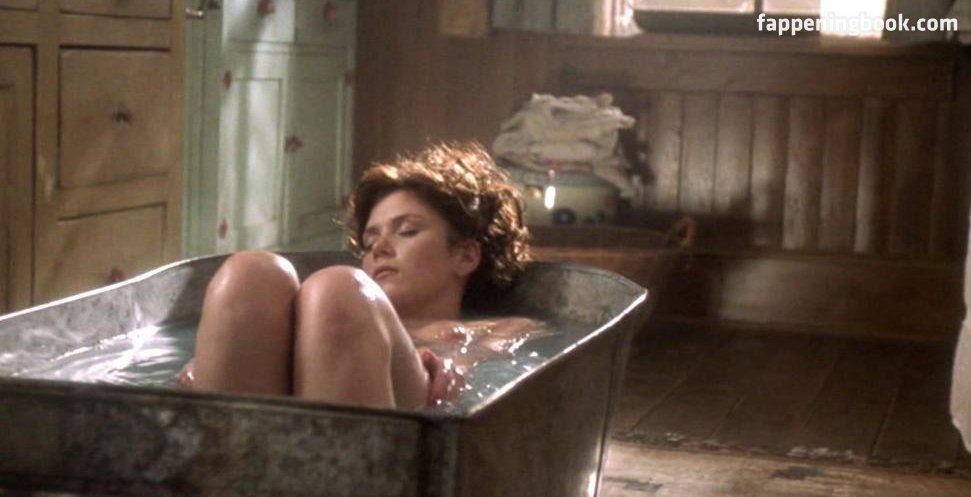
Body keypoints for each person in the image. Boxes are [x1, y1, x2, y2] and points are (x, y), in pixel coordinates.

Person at [179, 142, 541, 409]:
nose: (379, 248)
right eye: (369, 242)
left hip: (415, 398)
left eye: (407, 231)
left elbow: (498, 348)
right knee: (251, 273)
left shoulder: (497, 328)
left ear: (465, 255)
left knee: (340, 288)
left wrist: (456, 360)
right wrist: (218, 357)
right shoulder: (305, 320)